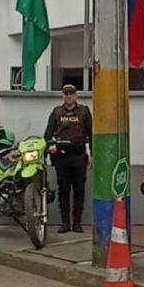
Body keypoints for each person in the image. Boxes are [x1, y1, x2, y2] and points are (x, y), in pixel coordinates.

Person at [44, 84, 92, 233]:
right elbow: (47, 135)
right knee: (63, 190)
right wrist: (44, 155)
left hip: (78, 155)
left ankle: (77, 223)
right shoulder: (57, 112)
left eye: (71, 93)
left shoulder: (84, 111)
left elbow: (91, 135)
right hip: (61, 157)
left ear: (76, 95)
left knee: (79, 190)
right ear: (63, 96)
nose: (69, 96)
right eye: (66, 93)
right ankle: (65, 223)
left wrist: (93, 156)